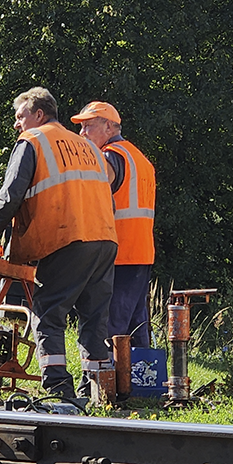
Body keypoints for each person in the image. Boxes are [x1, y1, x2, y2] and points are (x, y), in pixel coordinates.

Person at [0, 87, 117, 399]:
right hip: (105, 239)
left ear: (39, 115)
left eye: (20, 116)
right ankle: (99, 394)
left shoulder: (33, 141)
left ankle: (59, 390)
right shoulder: (88, 147)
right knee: (94, 319)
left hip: (67, 238)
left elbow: (10, 195)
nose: (17, 124)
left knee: (47, 313)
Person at [71, 101, 156, 347]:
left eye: (88, 126)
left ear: (109, 127)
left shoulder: (110, 157)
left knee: (108, 328)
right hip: (141, 254)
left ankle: (102, 383)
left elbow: (94, 189)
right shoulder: (140, 159)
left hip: (118, 255)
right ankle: (140, 383)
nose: (82, 133)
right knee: (136, 328)